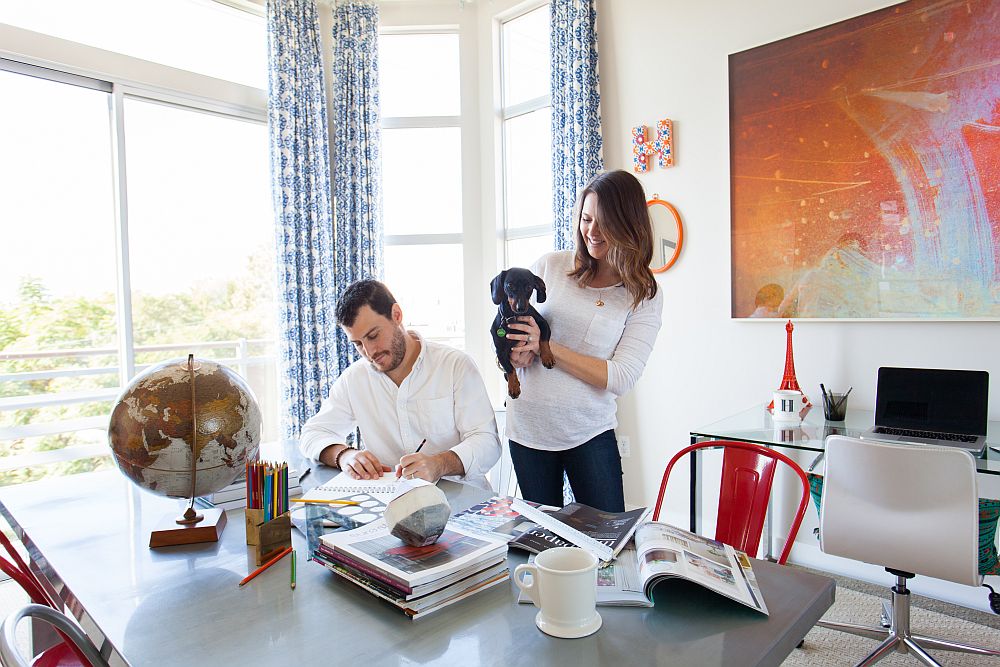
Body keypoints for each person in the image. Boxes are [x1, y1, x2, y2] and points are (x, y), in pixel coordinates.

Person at [504, 170, 664, 512]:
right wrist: (516, 353)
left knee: (606, 542)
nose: (591, 232)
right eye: (586, 219)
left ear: (628, 225)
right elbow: (512, 329)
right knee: (539, 544)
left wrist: (547, 348)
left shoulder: (643, 295)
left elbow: (621, 377)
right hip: (529, 430)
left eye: (603, 222)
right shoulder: (550, 266)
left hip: (589, 433)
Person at [298, 280, 500, 489]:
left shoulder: (454, 365)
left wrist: (439, 464)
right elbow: (312, 434)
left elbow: (488, 443)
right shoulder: (354, 379)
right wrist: (344, 455)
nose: (369, 352)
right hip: (391, 505)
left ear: (397, 315)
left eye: (373, 335)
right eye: (358, 344)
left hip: (463, 503)